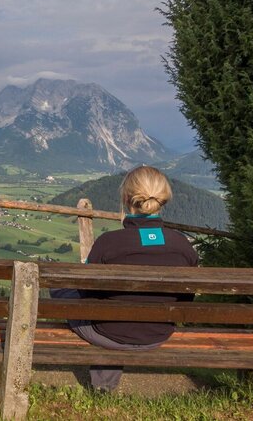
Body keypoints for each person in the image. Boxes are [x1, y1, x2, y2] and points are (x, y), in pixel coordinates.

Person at [52, 165, 199, 391]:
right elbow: (185, 299)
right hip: (158, 333)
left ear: (126, 198)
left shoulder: (108, 242)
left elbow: (86, 293)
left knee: (63, 292)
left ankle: (103, 387)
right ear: (163, 200)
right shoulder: (182, 245)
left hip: (107, 333)